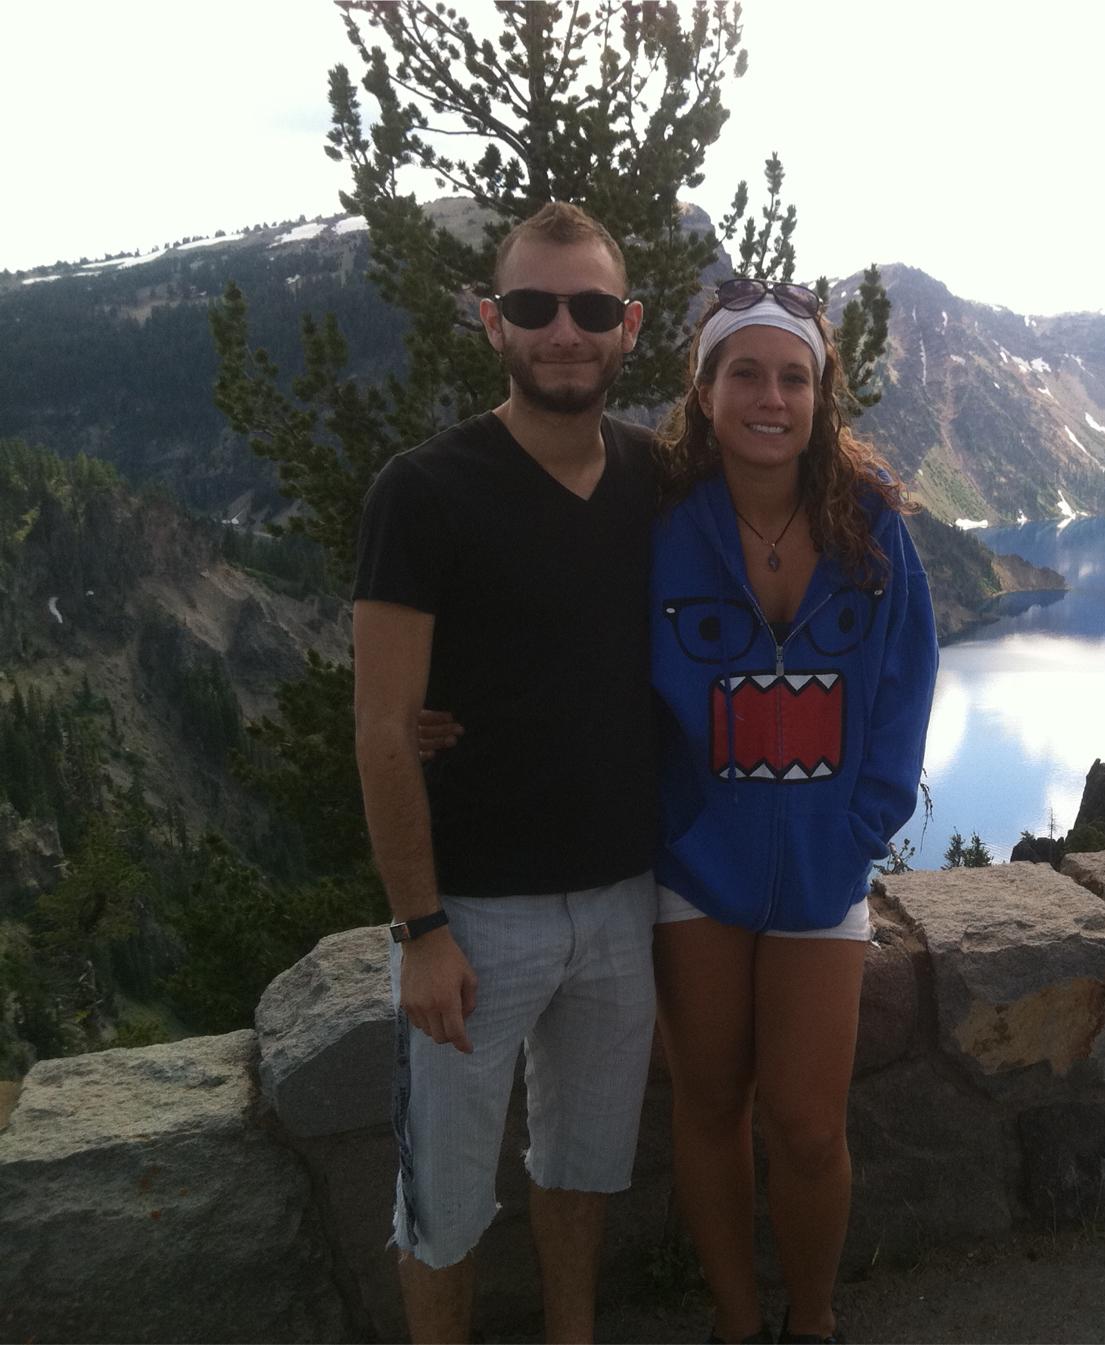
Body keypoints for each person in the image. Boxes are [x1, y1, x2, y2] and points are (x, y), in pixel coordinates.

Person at [352, 201, 659, 1345]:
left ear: (628, 325)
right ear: (494, 322)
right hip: (476, 916)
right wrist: (420, 926)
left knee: (580, 1173)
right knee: (443, 1198)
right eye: (534, 307)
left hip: (626, 899)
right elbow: (384, 727)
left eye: (588, 308)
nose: (562, 331)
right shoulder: (423, 492)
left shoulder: (653, 475)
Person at [649, 278, 937, 1343]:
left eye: (793, 377)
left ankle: (810, 1322)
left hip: (824, 868)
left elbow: (905, 685)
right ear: (706, 388)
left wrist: (864, 823)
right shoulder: (662, 529)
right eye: (745, 373)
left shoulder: (873, 529)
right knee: (711, 1106)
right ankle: (735, 1321)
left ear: (820, 397)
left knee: (810, 1125)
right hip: (697, 865)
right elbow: (594, 671)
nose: (770, 397)